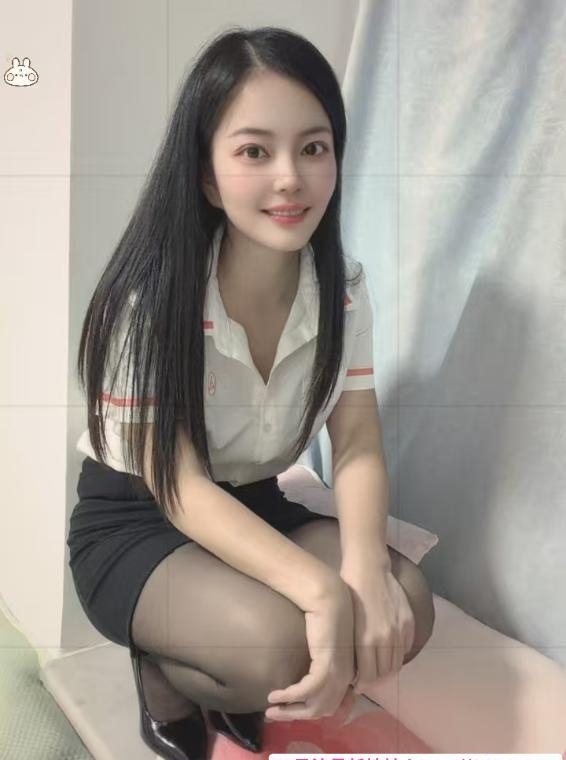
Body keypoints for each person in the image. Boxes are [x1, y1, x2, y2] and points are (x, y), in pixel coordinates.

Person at [67, 25, 435, 760]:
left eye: (314, 147)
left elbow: (356, 440)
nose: (290, 178)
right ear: (207, 175)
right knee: (283, 647)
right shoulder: (148, 302)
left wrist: (364, 567)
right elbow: (178, 486)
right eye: (254, 152)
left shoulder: (343, 290)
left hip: (253, 500)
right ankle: (166, 671)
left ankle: (230, 673)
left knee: (406, 605)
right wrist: (321, 592)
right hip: (140, 517)